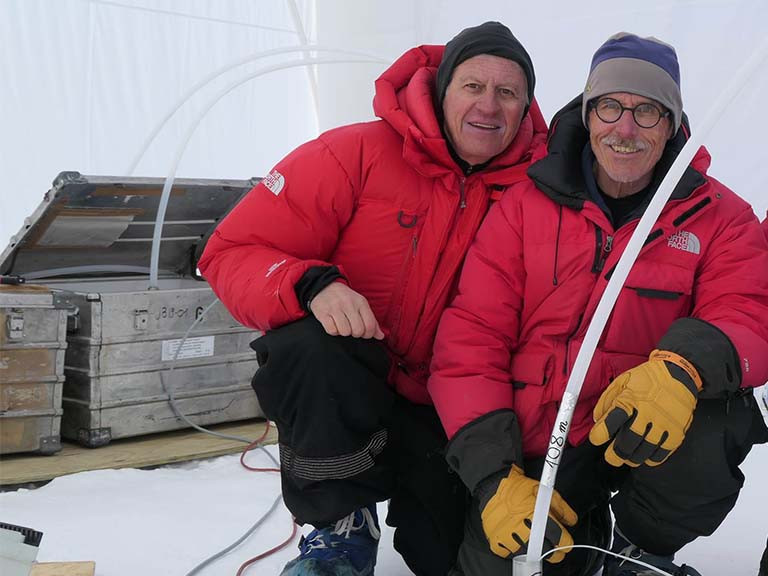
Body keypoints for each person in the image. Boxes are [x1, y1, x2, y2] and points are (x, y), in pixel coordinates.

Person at [198, 21, 547, 576]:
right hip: (353, 378)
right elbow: (231, 250)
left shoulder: (537, 192)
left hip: (450, 401)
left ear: (526, 108)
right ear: (441, 89)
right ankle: (341, 528)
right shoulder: (353, 153)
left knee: (446, 556)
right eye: (472, 86)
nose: (489, 105)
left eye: (508, 93)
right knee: (306, 346)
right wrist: (308, 283)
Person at [428, 32, 768, 576]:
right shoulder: (523, 206)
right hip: (527, 449)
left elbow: (747, 310)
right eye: (610, 107)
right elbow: (472, 341)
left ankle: (639, 546)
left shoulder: (719, 217)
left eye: (648, 112)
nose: (625, 129)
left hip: (631, 438)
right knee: (494, 560)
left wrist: (684, 368)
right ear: (587, 114)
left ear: (674, 124)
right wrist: (493, 479)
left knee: (722, 415)